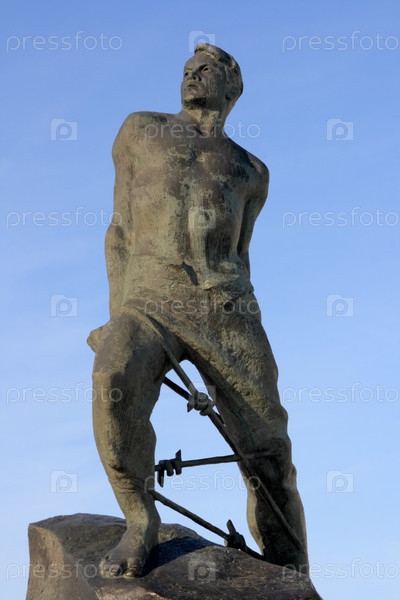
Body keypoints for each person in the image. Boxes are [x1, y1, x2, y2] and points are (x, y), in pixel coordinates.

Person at [88, 43, 309, 578]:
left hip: (225, 307)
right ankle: (140, 520)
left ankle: (290, 565)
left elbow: (241, 252)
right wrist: (116, 313)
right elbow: (119, 230)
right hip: (149, 297)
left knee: (269, 448)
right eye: (188, 69)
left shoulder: (252, 170)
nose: (192, 74)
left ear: (233, 87)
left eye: (206, 69)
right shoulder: (141, 130)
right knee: (112, 381)